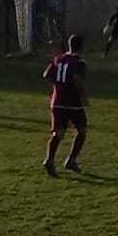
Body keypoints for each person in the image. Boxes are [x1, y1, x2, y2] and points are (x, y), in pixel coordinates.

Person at [42, 34, 88, 175]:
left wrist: (58, 87)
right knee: (82, 129)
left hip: (57, 101)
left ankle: (49, 159)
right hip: (72, 102)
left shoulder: (58, 59)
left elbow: (46, 75)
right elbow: (77, 79)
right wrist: (83, 97)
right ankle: (71, 160)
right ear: (81, 47)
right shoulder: (79, 62)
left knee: (59, 133)